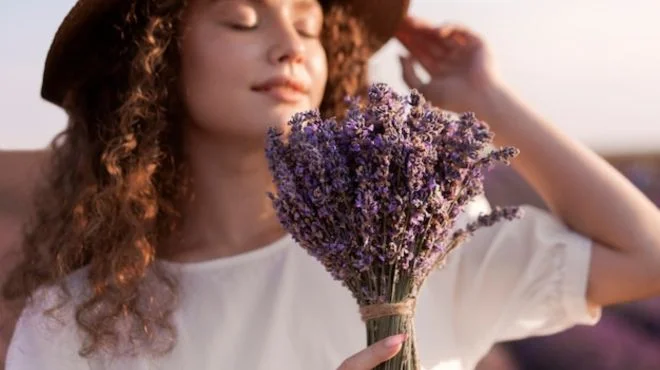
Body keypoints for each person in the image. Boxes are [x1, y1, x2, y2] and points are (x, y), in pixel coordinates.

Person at [2, 0, 660, 369]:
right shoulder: (73, 323)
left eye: (309, 25)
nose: (291, 44)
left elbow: (645, 257)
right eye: (241, 19)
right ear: (154, 60)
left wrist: (486, 99)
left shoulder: (407, 253)